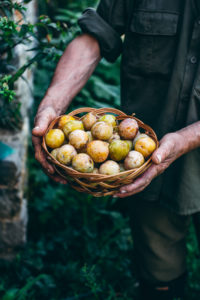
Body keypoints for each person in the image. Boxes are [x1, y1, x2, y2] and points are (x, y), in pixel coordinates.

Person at [32, 0, 200, 299]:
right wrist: (51, 105)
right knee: (159, 275)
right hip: (146, 161)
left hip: (161, 151)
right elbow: (95, 36)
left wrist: (185, 139)